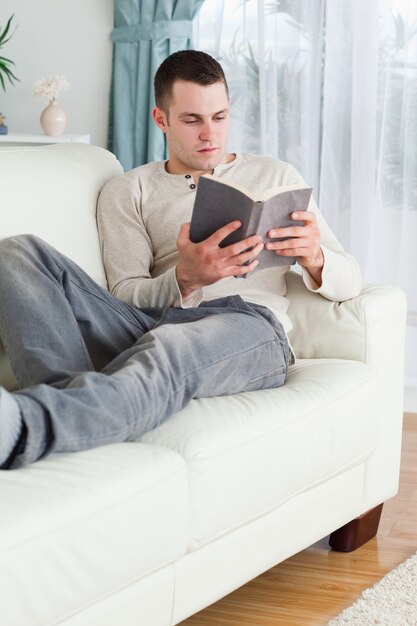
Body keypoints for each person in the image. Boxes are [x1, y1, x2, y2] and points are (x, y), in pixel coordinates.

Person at [0, 50, 361, 469]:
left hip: (249, 326)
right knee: (16, 252)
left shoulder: (276, 176)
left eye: (220, 117)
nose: (210, 134)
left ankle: (24, 423)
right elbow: (124, 294)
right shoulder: (128, 190)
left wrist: (315, 256)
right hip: (151, 320)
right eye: (192, 120)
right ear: (161, 119)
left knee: (172, 344)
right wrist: (185, 279)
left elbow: (351, 280)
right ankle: (74, 423)